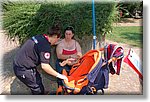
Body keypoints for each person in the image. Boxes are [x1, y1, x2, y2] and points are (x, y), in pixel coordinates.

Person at [13, 25, 68, 95]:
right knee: (37, 88)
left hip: (22, 62)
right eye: (57, 39)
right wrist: (60, 75)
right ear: (55, 36)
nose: (57, 41)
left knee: (38, 80)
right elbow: (45, 66)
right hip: (23, 69)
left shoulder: (40, 37)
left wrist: (57, 42)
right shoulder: (45, 46)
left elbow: (40, 46)